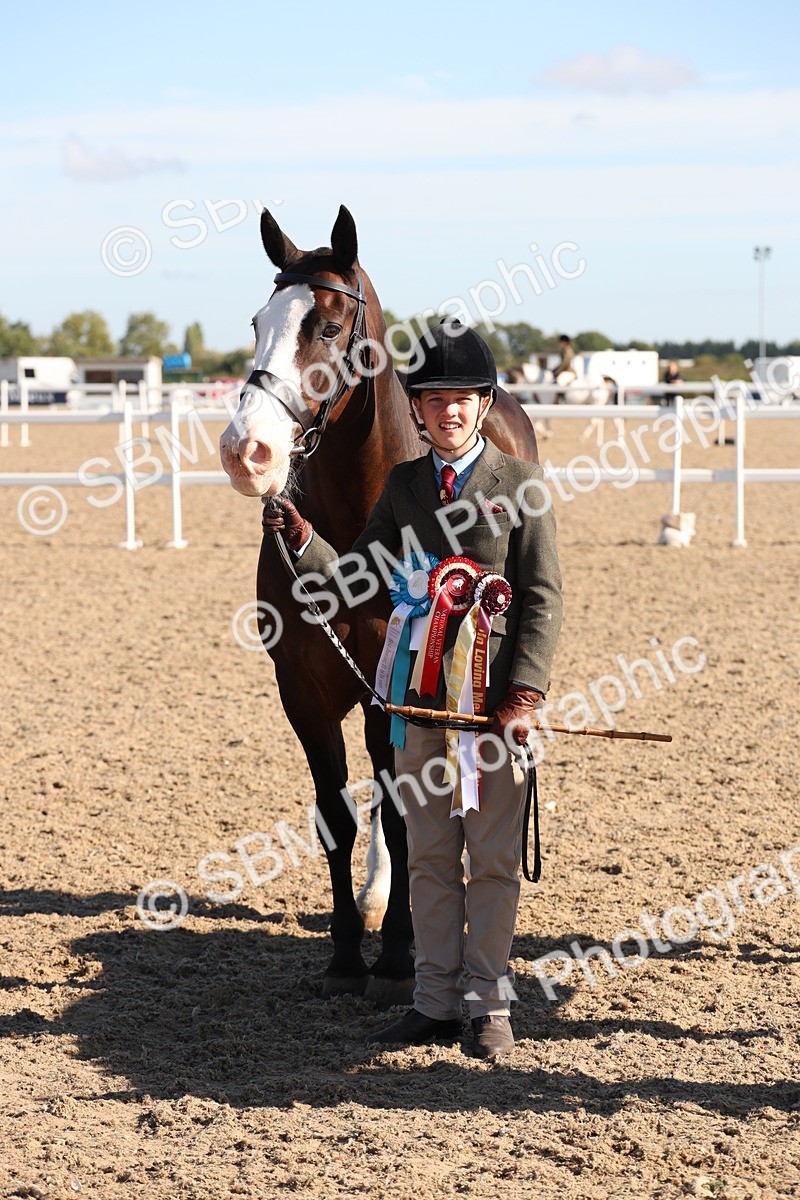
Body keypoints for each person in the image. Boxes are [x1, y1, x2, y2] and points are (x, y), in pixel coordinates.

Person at [264, 319, 562, 1061]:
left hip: (491, 712)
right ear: (419, 411)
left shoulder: (521, 486)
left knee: (490, 861)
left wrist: (522, 694)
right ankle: (432, 1001)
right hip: (417, 702)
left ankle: (489, 1006)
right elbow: (361, 577)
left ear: (483, 404)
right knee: (427, 857)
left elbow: (544, 597)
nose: (448, 412)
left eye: (461, 400)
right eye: (433, 401)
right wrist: (305, 541)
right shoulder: (403, 486)